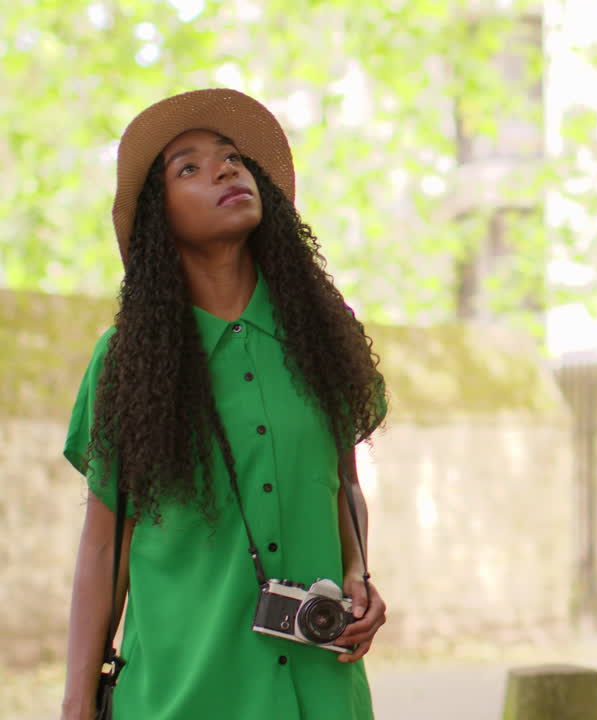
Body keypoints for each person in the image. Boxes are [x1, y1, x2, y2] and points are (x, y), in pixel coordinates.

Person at [59, 88, 389, 719]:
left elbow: (342, 485)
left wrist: (358, 574)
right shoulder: (125, 361)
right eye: (189, 167)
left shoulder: (323, 338)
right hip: (180, 694)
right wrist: (77, 704)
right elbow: (103, 547)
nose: (225, 170)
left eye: (232, 157)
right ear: (159, 217)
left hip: (322, 692)